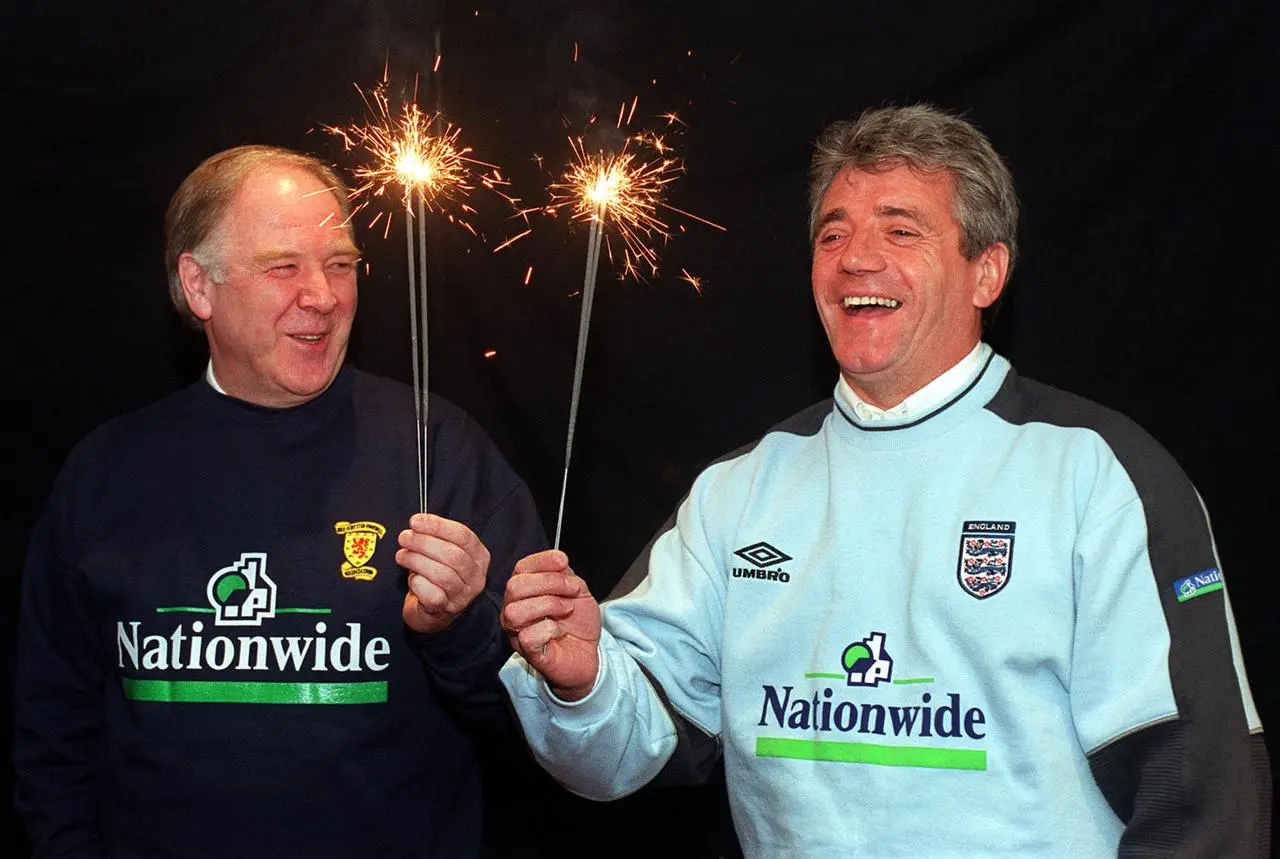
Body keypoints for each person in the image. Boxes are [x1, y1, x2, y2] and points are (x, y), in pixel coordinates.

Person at [497, 105, 1271, 857]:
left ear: (986, 272)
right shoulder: (743, 488)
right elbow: (622, 754)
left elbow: (1199, 793)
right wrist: (584, 682)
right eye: (833, 233)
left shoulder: (1096, 474)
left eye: (901, 229)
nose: (856, 258)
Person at [14, 144, 547, 858]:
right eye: (283, 267)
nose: (323, 296)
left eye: (340, 264)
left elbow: (546, 728)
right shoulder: (107, 472)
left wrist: (458, 628)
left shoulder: (439, 450)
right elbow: (51, 727)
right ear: (199, 286)